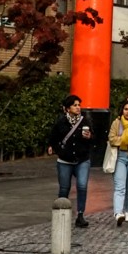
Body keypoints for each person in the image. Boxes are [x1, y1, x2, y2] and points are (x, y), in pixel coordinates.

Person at [46, 94, 94, 228]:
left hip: (82, 159)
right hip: (65, 160)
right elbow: (53, 138)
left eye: (79, 105)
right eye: (75, 105)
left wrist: (89, 136)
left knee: (82, 186)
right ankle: (61, 214)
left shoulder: (85, 121)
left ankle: (80, 215)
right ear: (68, 108)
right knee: (64, 188)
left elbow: (93, 138)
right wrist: (54, 148)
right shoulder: (61, 122)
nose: (78, 107)